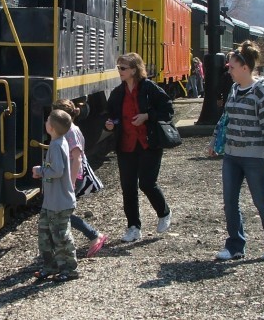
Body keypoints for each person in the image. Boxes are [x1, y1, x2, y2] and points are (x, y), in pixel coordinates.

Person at [214, 40, 264, 261]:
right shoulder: (235, 89)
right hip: (232, 155)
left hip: (254, 157)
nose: (230, 71)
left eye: (232, 67)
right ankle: (235, 244)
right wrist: (215, 141)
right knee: (230, 202)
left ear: (245, 68)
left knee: (260, 200)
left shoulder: (262, 91)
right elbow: (226, 119)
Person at [104, 52, 173, 242]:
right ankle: (133, 227)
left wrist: (147, 116)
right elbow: (110, 115)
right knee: (128, 187)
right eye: (118, 68)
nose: (120, 71)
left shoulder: (149, 88)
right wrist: (109, 123)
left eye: (123, 68)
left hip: (148, 143)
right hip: (126, 144)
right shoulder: (118, 93)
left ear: (134, 69)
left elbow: (167, 110)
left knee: (147, 183)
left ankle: (164, 212)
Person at [52, 99, 108, 258]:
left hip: (73, 177)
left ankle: (94, 235)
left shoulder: (71, 132)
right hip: (68, 176)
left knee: (61, 212)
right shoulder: (67, 130)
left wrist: (70, 182)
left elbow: (76, 158)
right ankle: (63, 246)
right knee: (60, 211)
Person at [31, 109, 78, 282]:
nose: (45, 123)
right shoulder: (58, 142)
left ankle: (69, 269)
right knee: (45, 234)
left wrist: (40, 171)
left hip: (60, 202)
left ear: (51, 127)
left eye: (47, 121)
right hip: (51, 201)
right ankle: (50, 266)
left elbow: (57, 171)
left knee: (61, 237)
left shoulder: (58, 145)